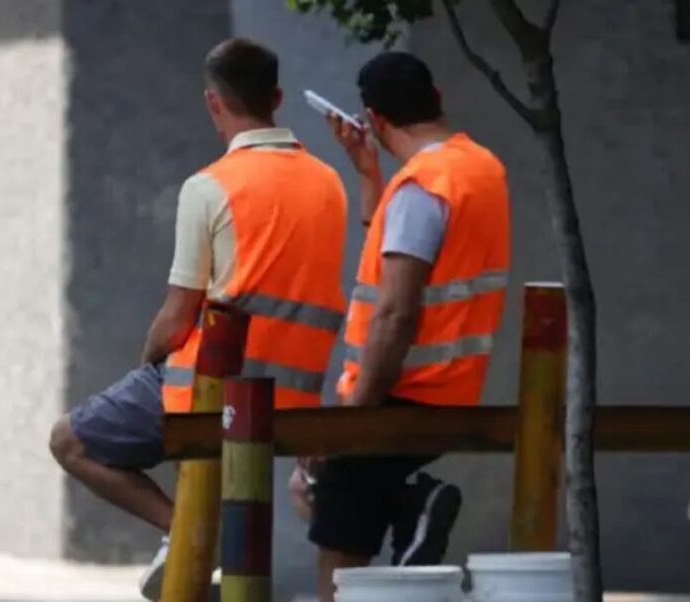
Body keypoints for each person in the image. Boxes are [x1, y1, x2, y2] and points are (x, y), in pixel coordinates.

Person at [48, 37, 347, 600]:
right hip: (295, 396)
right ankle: (191, 541)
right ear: (277, 97)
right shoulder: (329, 184)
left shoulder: (210, 186)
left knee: (70, 441)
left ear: (213, 102)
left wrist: (149, 361)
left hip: (212, 392)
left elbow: (177, 314)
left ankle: (185, 534)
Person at [308, 51, 511, 602]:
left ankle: (412, 503)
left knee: (338, 560)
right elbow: (404, 252)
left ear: (372, 119)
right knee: (318, 495)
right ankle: (410, 503)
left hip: (395, 397)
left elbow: (395, 312)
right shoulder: (480, 168)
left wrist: (353, 420)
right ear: (437, 97)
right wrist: (370, 176)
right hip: (451, 392)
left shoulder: (422, 188)